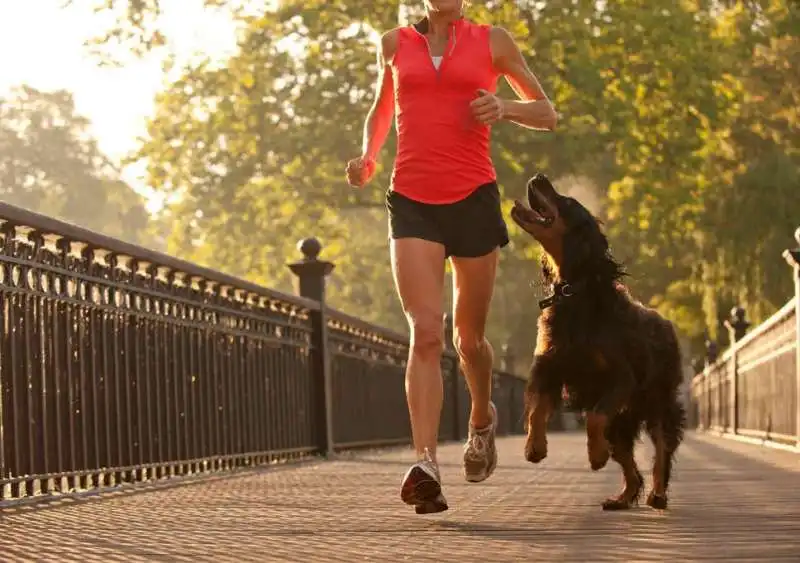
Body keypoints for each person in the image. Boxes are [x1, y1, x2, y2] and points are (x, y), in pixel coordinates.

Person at [345, 0, 557, 514]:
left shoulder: (493, 41)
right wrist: (370, 155)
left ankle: (481, 419)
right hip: (412, 199)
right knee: (426, 331)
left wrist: (503, 107)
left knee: (469, 339)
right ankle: (425, 465)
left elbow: (547, 113)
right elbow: (383, 108)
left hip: (473, 198)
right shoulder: (395, 44)